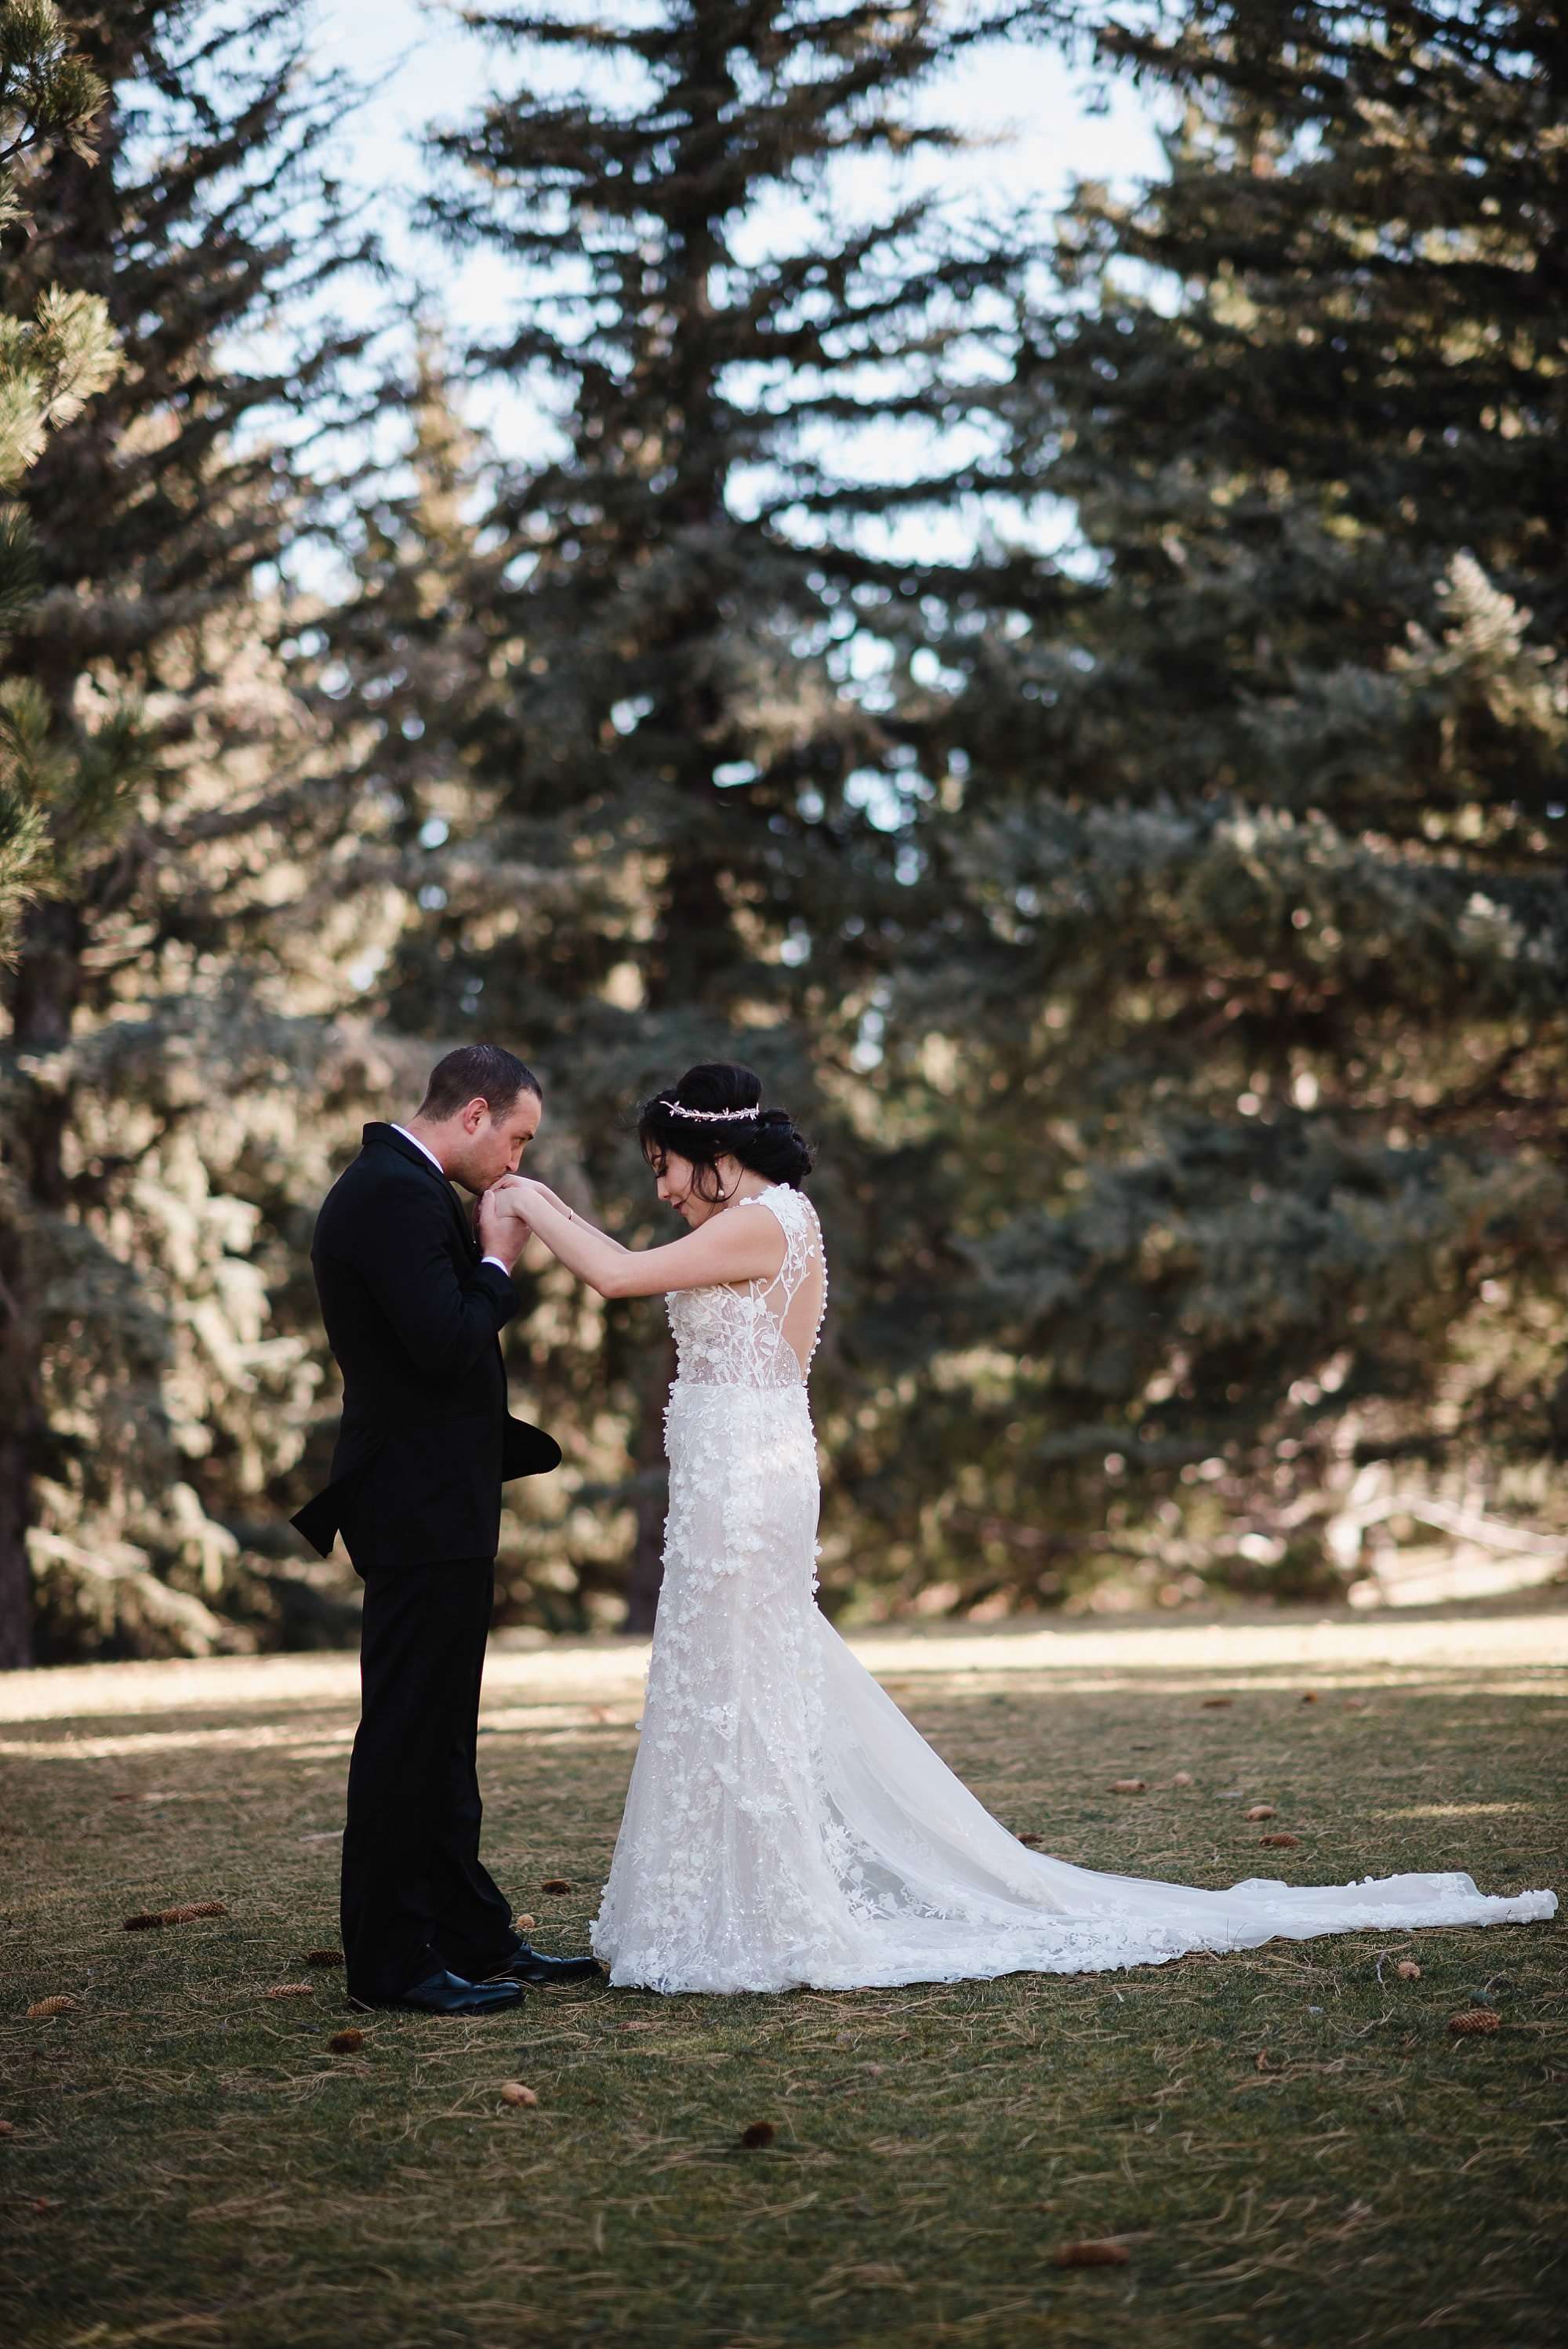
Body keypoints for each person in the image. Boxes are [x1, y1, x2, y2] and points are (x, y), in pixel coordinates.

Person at [487, 1059, 1558, 1995]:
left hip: (747, 1479)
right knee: (719, 1675)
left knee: (743, 1677)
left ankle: (763, 1914)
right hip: (734, 1468)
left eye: (664, 1165)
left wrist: (523, 1196)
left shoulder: (766, 1224)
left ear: (707, 1154)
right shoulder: (751, 1223)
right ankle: (712, 1905)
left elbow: (618, 1274)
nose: (659, 1186)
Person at [293, 1044, 599, 2013]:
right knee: (406, 1735)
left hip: (441, 1495)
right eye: (515, 1137)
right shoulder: (388, 1192)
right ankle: (390, 1962)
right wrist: (498, 1258)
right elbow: (444, 1340)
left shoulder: (406, 1187)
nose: (515, 1160)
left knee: (443, 1738)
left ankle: (470, 1932)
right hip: (413, 1500)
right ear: (473, 1114)